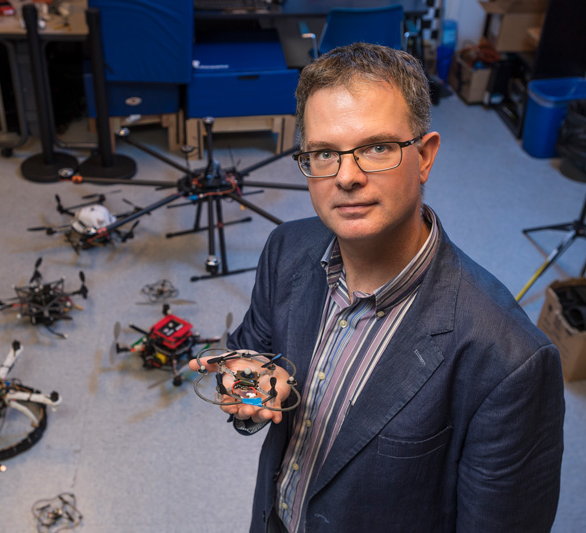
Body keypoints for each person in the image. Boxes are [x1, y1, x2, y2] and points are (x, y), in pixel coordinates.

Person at [190, 43, 565, 532]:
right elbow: (250, 354)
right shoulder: (286, 248)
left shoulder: (510, 360)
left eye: (377, 148)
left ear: (425, 156)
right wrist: (245, 388)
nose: (347, 176)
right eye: (324, 153)